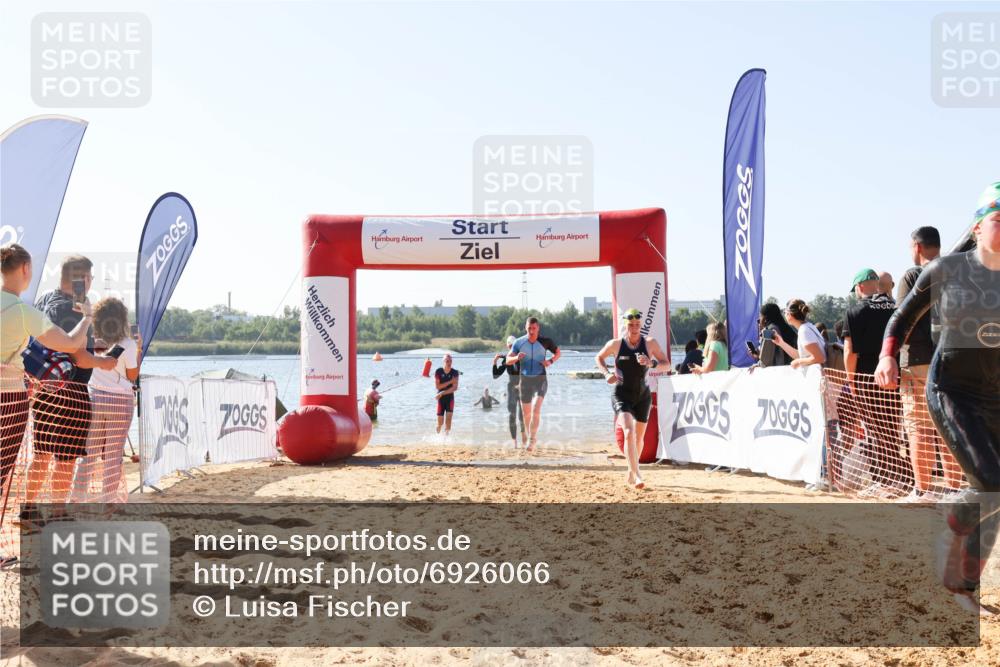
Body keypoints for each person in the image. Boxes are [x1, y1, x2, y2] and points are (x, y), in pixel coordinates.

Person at [875, 182, 1000, 613]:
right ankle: (952, 523)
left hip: (995, 396)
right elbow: (902, 315)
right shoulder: (948, 269)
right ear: (979, 224)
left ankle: (961, 586)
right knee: (991, 482)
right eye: (999, 219)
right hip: (951, 389)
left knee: (995, 494)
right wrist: (888, 358)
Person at [0, 245, 92, 563]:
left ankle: (30, 514)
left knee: (35, 456)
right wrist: (89, 321)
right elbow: (70, 347)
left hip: (29, 392)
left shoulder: (34, 304)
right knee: (51, 460)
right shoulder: (31, 310)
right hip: (32, 393)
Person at [25, 255, 116, 522]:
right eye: (90, 278)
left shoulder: (44, 301)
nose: (91, 284)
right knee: (65, 458)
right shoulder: (71, 310)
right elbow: (79, 356)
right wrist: (105, 361)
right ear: (83, 279)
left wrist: (92, 346)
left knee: (41, 454)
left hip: (44, 389)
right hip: (72, 390)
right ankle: (57, 512)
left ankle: (29, 509)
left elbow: (58, 344)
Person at [894, 226, 962, 503]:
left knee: (919, 425)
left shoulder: (912, 275)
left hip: (920, 359)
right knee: (949, 426)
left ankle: (923, 491)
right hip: (954, 357)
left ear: (917, 247)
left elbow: (903, 319)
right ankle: (955, 491)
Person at [843, 267, 913, 496]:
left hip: (867, 378)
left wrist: (851, 380)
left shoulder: (856, 310)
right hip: (896, 376)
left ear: (860, 287)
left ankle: (887, 481)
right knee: (894, 430)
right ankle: (901, 478)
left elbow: (850, 352)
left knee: (875, 431)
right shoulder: (896, 307)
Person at [595, 308, 670, 490]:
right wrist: (606, 374)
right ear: (625, 325)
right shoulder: (616, 344)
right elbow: (599, 357)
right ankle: (637, 474)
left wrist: (650, 363)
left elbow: (667, 364)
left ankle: (631, 469)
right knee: (629, 432)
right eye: (631, 325)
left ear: (640, 325)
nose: (634, 327)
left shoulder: (650, 343)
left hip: (642, 396)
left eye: (637, 324)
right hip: (621, 394)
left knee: (639, 439)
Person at [74, 297, 140, 503]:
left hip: (96, 397)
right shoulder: (128, 344)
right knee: (113, 454)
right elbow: (131, 376)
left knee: (89, 453)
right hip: (120, 400)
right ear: (122, 319)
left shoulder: (92, 340)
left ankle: (76, 498)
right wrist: (139, 349)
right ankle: (109, 502)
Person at [507, 317, 560, 452]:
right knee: (527, 414)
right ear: (526, 328)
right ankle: (531, 437)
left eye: (534, 328)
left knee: (536, 409)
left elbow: (558, 352)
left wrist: (550, 361)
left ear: (538, 328)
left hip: (540, 379)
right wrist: (516, 358)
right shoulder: (519, 342)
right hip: (524, 380)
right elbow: (507, 360)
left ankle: (532, 440)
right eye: (529, 328)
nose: (531, 331)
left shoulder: (546, 341)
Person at [772, 299, 826, 368]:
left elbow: (820, 358)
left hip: (817, 376)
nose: (784, 314)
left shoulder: (804, 331)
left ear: (789, 314)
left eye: (785, 312)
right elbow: (802, 356)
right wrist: (781, 343)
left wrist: (799, 362)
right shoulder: (808, 327)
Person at [492, 335, 525, 447]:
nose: (511, 348)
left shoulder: (522, 357)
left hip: (523, 387)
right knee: (512, 415)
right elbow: (495, 376)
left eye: (513, 346)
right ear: (507, 346)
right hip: (511, 388)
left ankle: (524, 435)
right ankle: (514, 442)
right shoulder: (506, 359)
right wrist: (494, 362)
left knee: (522, 414)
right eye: (510, 346)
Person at [434, 354, 459, 436]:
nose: (449, 363)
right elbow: (438, 386)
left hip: (449, 399)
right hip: (440, 399)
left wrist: (442, 392)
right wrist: (450, 382)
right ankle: (437, 437)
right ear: (443, 362)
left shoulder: (455, 372)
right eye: (447, 361)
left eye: (450, 361)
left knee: (448, 422)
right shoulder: (438, 371)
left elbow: (455, 388)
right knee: (440, 423)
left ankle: (445, 440)